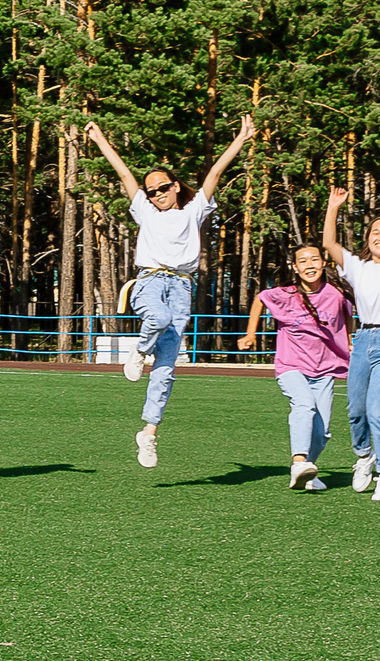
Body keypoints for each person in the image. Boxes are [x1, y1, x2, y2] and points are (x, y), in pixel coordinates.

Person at [86, 115, 256, 469]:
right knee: (158, 318)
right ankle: (138, 352)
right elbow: (124, 174)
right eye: (151, 191)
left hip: (181, 287)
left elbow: (215, 172)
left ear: (176, 186)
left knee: (165, 368)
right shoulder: (146, 213)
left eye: (162, 187)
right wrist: (100, 140)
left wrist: (240, 140)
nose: (157, 194)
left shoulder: (194, 211)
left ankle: (149, 433)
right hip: (149, 281)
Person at [324, 181, 380, 503]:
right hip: (363, 340)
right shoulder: (357, 267)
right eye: (376, 232)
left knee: (378, 410)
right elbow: (329, 243)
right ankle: (364, 456)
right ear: (367, 238)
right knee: (356, 410)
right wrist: (333, 207)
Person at [236, 241, 351, 492]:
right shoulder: (285, 294)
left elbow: (346, 317)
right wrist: (250, 334)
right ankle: (298, 463)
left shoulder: (335, 294)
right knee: (304, 405)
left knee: (322, 432)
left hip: (324, 370)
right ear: (295, 267)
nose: (310, 265)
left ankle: (308, 471)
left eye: (314, 259)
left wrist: (349, 342)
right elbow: (260, 299)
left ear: (323, 263)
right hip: (291, 365)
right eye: (303, 261)